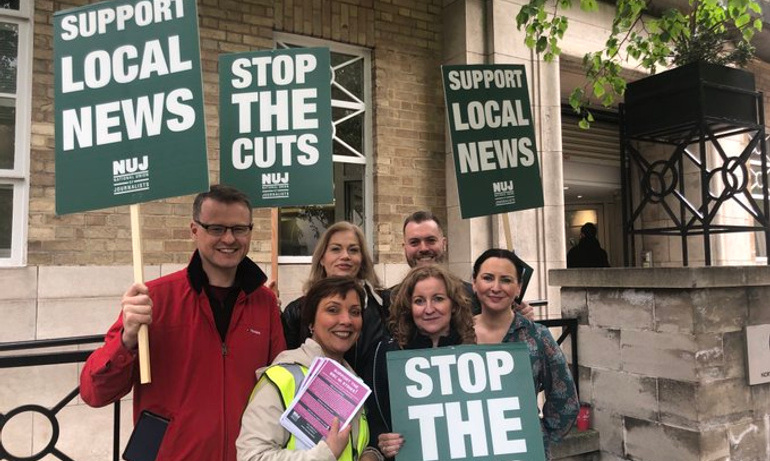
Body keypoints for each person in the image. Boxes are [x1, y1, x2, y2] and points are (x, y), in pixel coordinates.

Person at [80, 185, 286, 461]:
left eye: (239, 229)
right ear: (194, 230)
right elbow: (94, 392)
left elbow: (279, 384)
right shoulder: (153, 299)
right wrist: (126, 340)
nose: (229, 238)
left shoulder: (264, 303)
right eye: (216, 228)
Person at [237, 277, 381, 461]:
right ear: (311, 322)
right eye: (333, 310)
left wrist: (370, 453)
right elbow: (251, 456)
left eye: (355, 312)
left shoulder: (354, 385)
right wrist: (324, 455)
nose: (346, 320)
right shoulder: (284, 377)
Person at [473, 248, 579, 459]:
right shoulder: (457, 334)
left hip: (522, 451)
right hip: (470, 449)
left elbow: (565, 398)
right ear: (474, 283)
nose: (496, 287)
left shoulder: (537, 336)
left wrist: (541, 435)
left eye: (506, 280)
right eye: (487, 278)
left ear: (518, 287)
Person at [368, 265, 476, 459]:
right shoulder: (387, 353)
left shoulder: (474, 350)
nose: (429, 309)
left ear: (453, 305)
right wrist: (383, 440)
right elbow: (376, 419)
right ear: (409, 307)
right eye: (419, 301)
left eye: (438, 299)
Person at [281, 222, 388, 384]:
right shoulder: (296, 312)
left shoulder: (384, 307)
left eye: (353, 250)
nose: (345, 256)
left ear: (362, 260)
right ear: (322, 259)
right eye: (336, 249)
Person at [390, 210, 534, 319]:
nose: (423, 248)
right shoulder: (388, 301)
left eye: (431, 240)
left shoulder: (474, 297)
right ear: (405, 247)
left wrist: (517, 316)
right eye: (415, 242)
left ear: (444, 244)